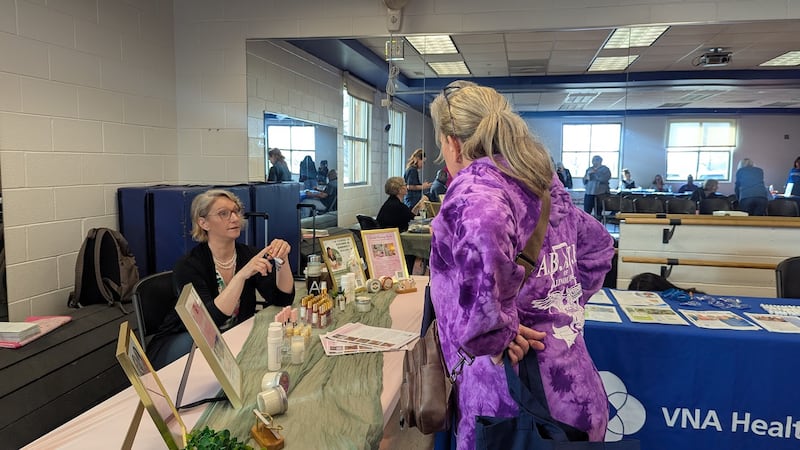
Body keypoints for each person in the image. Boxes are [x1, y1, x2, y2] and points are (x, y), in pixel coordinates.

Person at [429, 80, 613, 449]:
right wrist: (558, 306)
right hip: (574, 387)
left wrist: (497, 333)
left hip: (513, 407)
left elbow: (483, 229)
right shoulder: (541, 183)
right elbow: (599, 249)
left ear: (452, 142)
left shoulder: (477, 188)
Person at [147, 189, 295, 370]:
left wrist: (282, 260)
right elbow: (208, 321)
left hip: (229, 339)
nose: (235, 218)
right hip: (186, 342)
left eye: (236, 211)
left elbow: (282, 300)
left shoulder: (247, 255)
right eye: (223, 213)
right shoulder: (189, 265)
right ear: (203, 223)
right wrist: (241, 276)